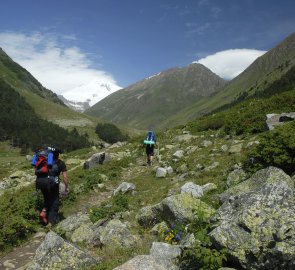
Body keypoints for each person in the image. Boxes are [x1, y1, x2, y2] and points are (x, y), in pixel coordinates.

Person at [35, 147, 69, 226]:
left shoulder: (44, 161)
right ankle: (51, 222)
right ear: (58, 155)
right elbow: (65, 177)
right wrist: (66, 187)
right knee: (55, 201)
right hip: (53, 183)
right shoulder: (60, 163)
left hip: (40, 182)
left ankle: (44, 211)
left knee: (47, 199)